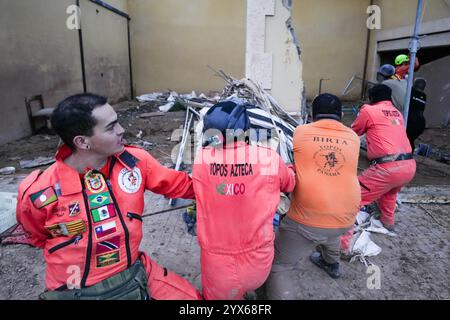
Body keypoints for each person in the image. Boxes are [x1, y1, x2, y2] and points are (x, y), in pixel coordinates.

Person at [16, 93, 202, 300]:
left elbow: (187, 186)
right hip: (75, 288)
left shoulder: (135, 162)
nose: (122, 130)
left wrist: (229, 181)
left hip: (132, 271)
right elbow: (36, 236)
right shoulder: (39, 192)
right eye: (111, 127)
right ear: (82, 142)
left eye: (118, 122)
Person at [192, 100, 296, 300]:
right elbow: (289, 185)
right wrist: (287, 169)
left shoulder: (201, 160)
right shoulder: (268, 158)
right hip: (260, 262)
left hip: (218, 268)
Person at [265, 94, 361, 300]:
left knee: (279, 266)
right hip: (347, 215)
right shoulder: (353, 137)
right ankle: (332, 263)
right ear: (341, 115)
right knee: (331, 225)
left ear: (311, 115)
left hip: (308, 218)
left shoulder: (301, 132)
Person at [351, 85, 416, 231]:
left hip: (388, 168)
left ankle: (342, 242)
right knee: (389, 194)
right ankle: (388, 223)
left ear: (371, 98)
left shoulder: (368, 110)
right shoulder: (397, 112)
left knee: (353, 195)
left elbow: (353, 132)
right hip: (409, 166)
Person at [406, 78, 427, 151]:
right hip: (420, 123)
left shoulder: (411, 91)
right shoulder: (424, 96)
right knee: (409, 139)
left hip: (411, 121)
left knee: (406, 139)